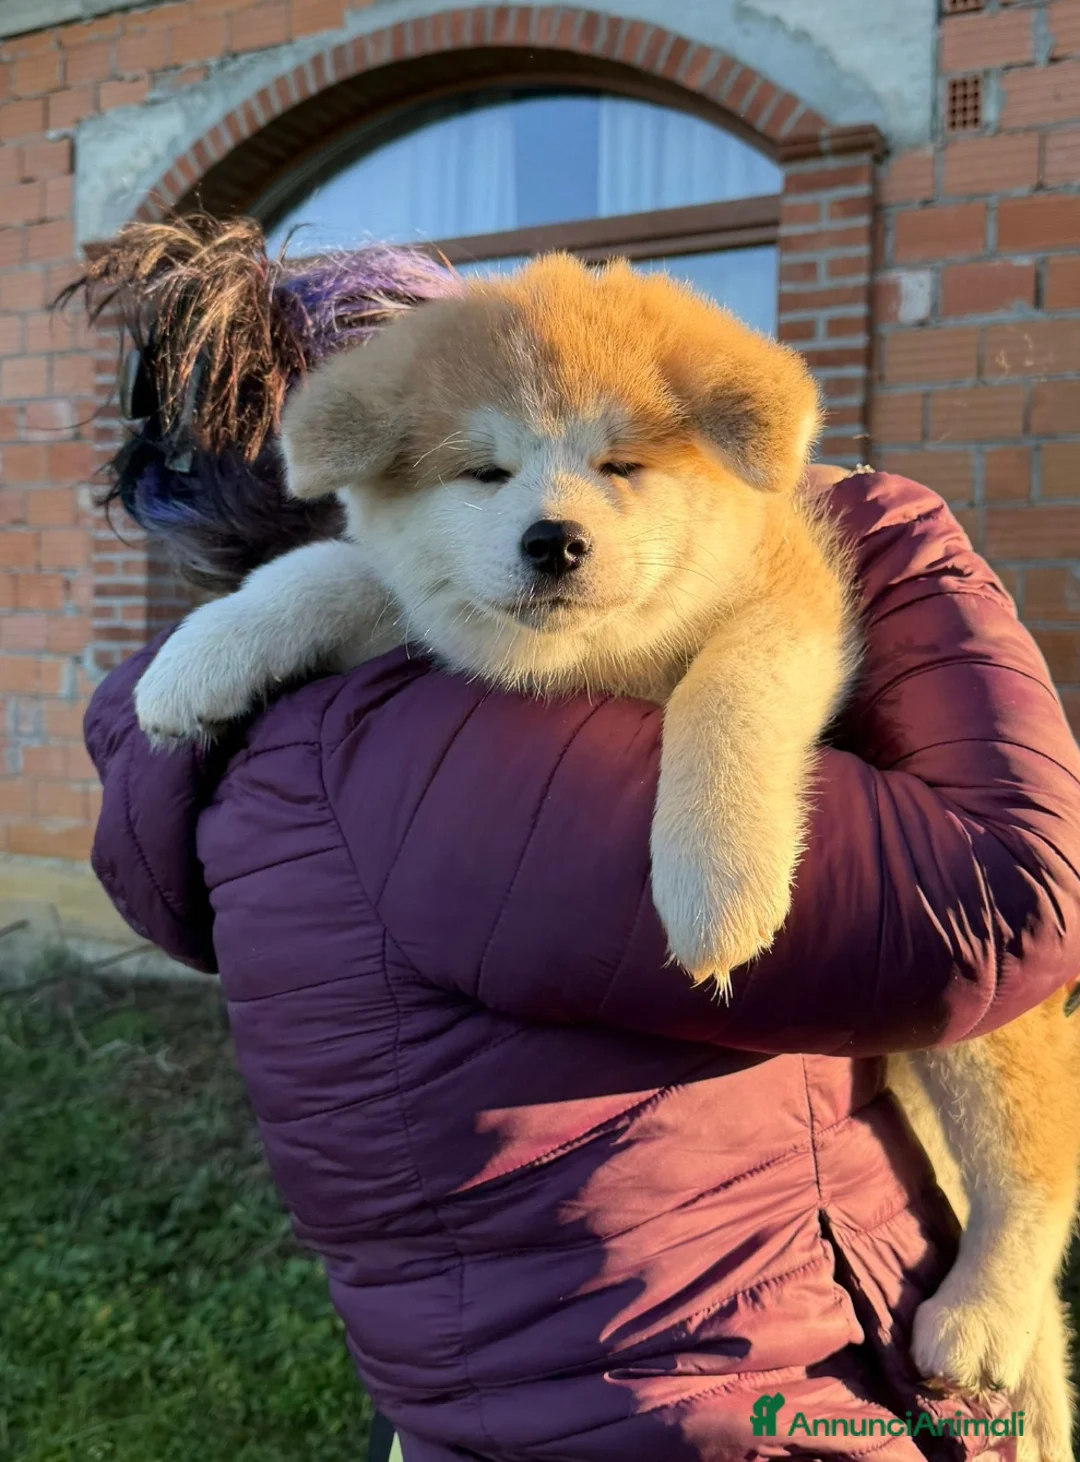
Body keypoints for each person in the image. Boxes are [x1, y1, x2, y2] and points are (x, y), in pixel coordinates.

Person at [80, 221, 1080, 1462]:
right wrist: (898, 538)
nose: (551, 513)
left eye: (614, 461)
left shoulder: (270, 753)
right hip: (730, 1390)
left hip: (507, 1386)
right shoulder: (430, 744)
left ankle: (1025, 1226)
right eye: (485, 472)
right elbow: (1006, 901)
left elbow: (752, 615)